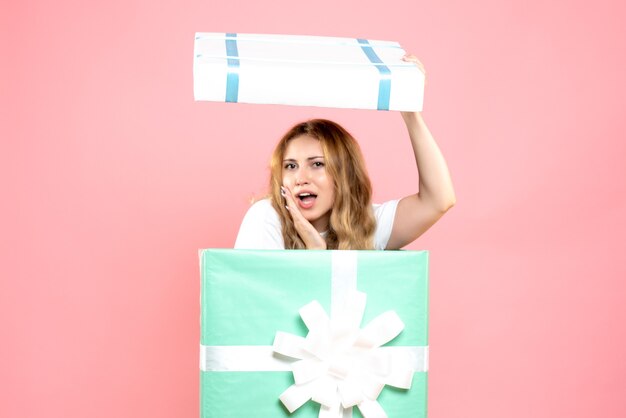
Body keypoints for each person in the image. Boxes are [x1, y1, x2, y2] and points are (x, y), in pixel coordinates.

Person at [234, 55, 455, 250]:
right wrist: (316, 255)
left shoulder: (365, 224)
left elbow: (439, 200)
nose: (300, 178)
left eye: (317, 164)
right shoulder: (265, 218)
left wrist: (410, 113)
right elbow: (265, 297)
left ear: (344, 173)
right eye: (291, 166)